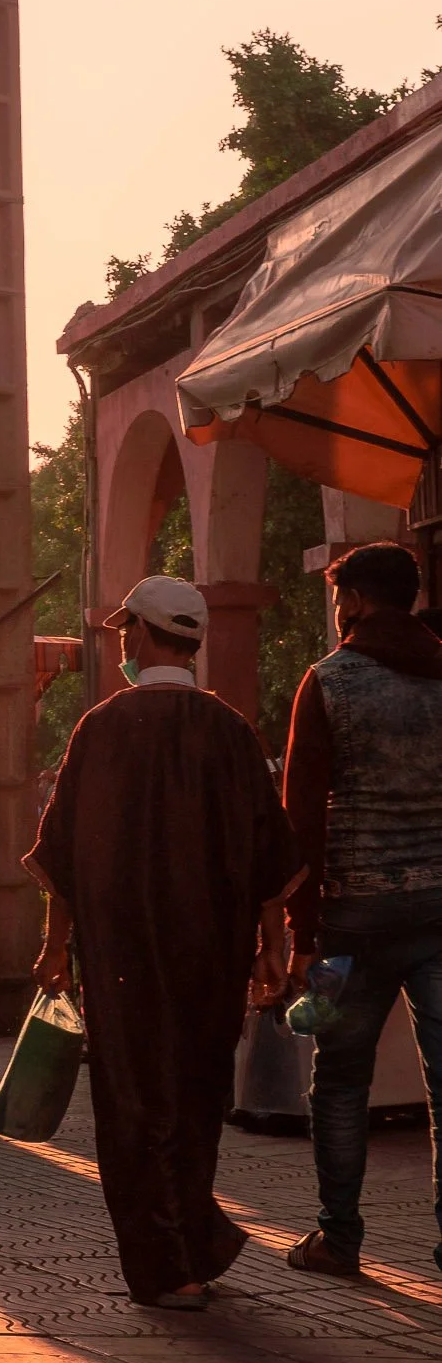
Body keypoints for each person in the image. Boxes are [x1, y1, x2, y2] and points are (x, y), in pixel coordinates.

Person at [28, 574, 301, 1310]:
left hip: (120, 958)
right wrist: (271, 949)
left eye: (125, 631)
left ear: (141, 637)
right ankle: (191, 1244)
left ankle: (169, 1263)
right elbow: (268, 859)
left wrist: (55, 948)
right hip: (211, 954)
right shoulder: (231, 732)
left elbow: (61, 856)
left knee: (131, 1101)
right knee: (193, 1094)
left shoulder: (101, 728)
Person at [282, 541, 442, 1279]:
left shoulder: (327, 684)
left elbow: (301, 818)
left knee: (339, 1080)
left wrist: (299, 932)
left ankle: (337, 1240)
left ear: (350, 600)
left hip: (349, 923)